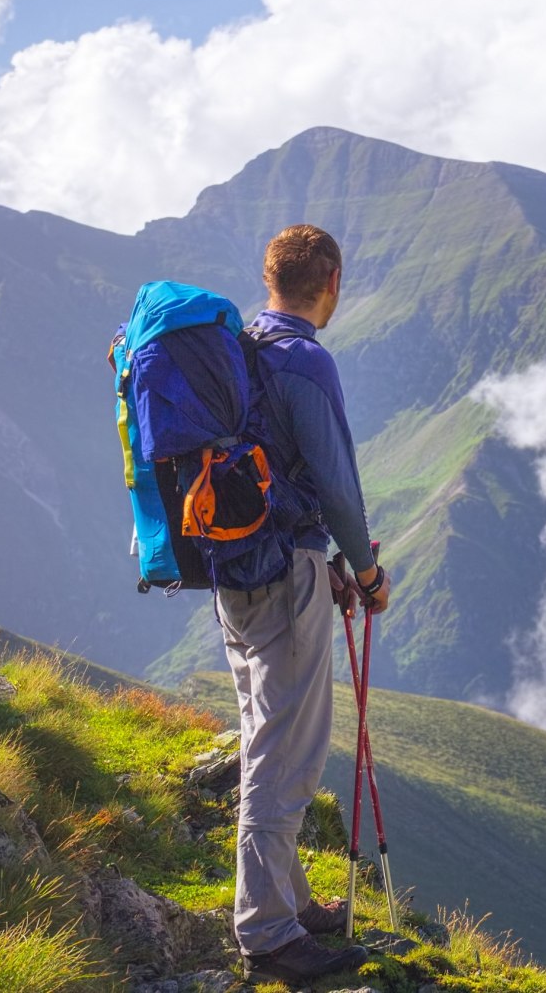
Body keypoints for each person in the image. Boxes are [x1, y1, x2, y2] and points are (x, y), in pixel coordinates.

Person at [216, 223, 394, 984]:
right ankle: (267, 930)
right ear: (331, 283)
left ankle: (288, 898)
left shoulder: (237, 353)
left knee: (268, 728)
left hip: (234, 568)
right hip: (288, 574)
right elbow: (335, 485)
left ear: (270, 280)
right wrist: (365, 570)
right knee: (284, 750)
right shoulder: (304, 362)